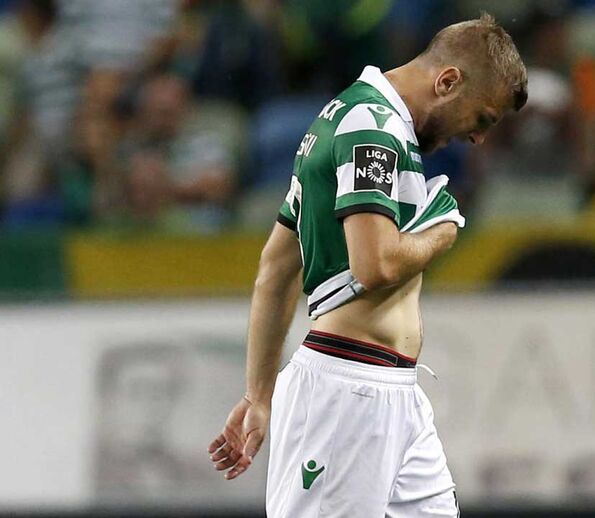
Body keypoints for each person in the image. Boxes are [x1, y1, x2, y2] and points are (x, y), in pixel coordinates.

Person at [207, 13, 527, 517]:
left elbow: (275, 269)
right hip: (347, 390)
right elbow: (374, 264)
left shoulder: (351, 121)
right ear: (448, 82)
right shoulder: (371, 128)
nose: (478, 138)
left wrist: (260, 395)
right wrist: (441, 232)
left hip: (391, 391)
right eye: (482, 119)